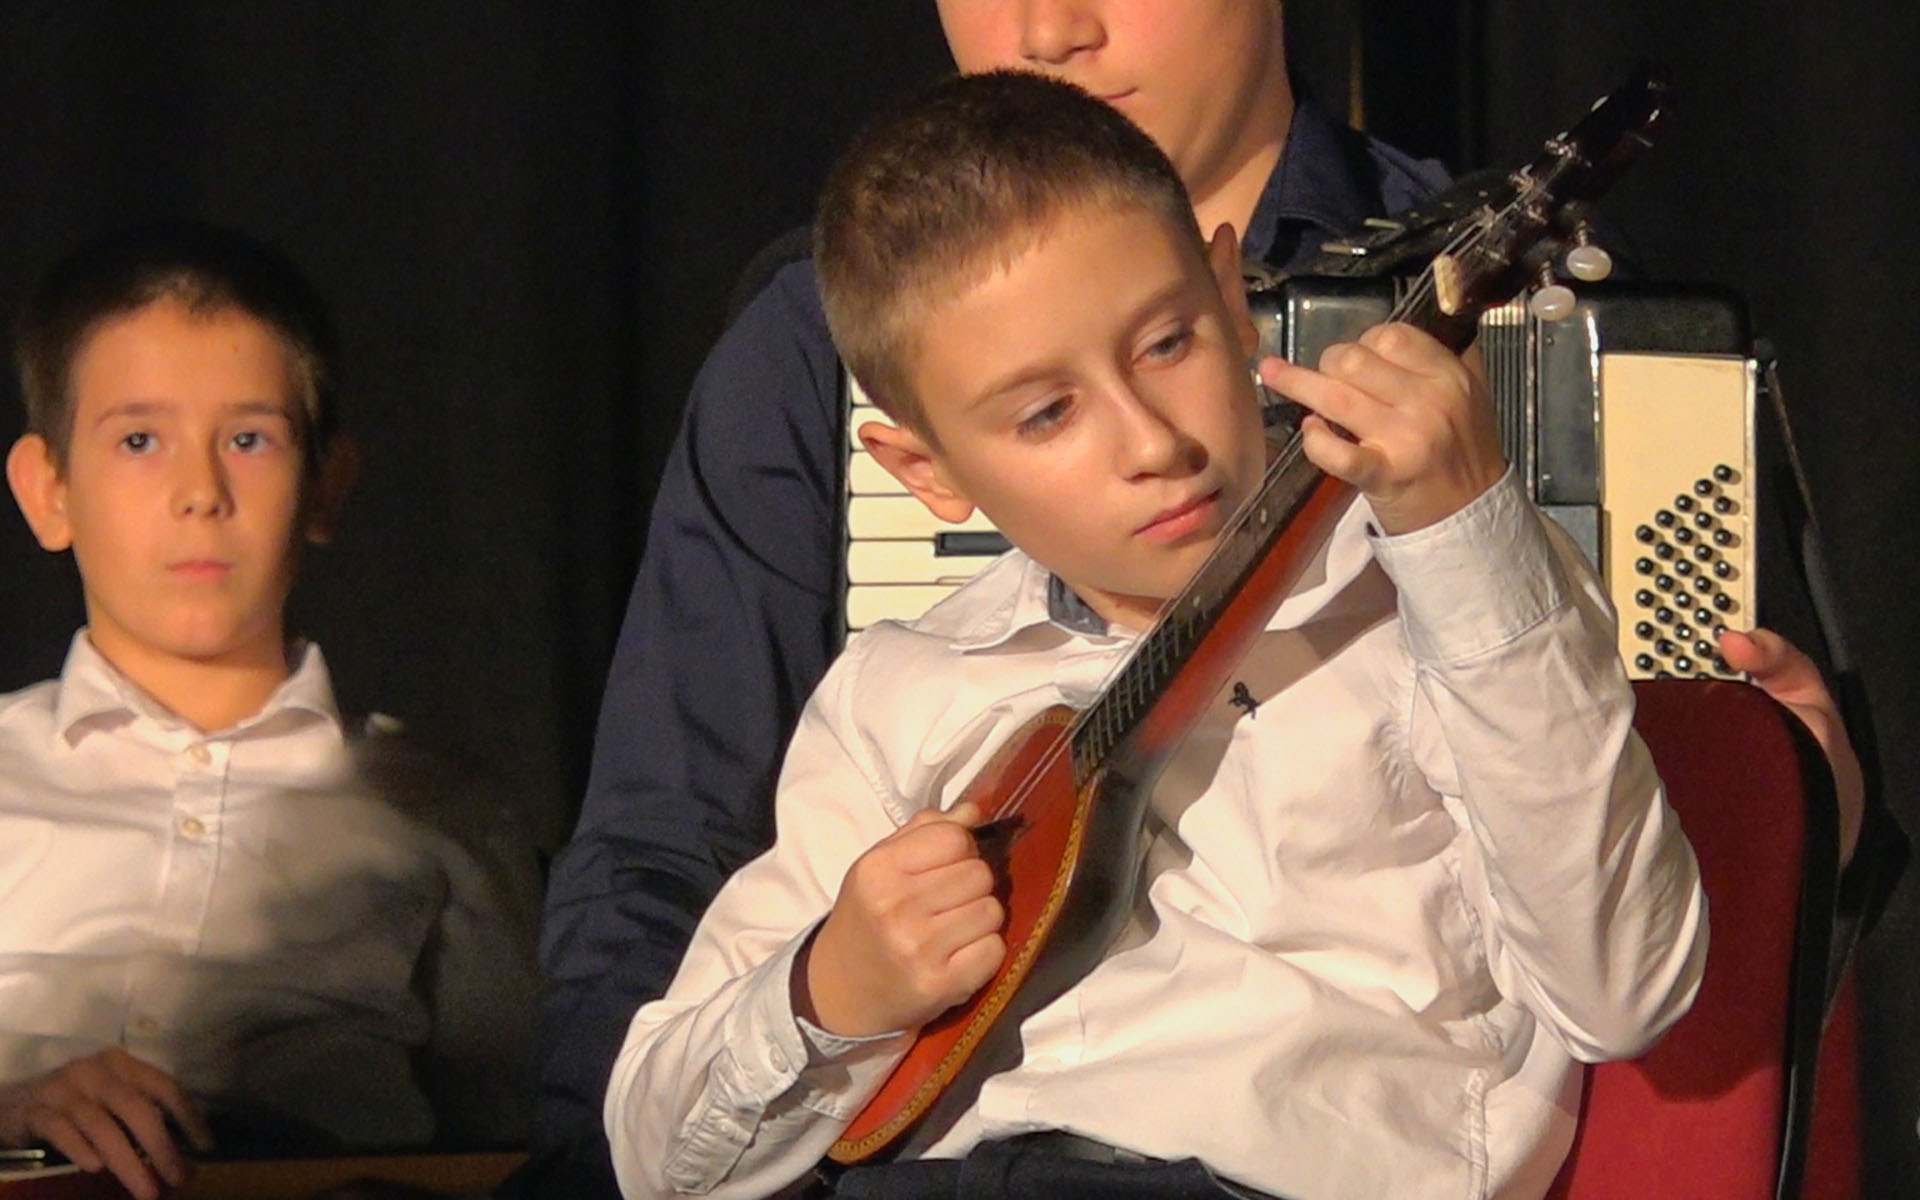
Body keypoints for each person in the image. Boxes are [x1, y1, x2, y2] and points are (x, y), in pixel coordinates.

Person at [532, 4, 1864, 1191]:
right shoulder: (897, 689)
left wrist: (1470, 537)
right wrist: (828, 994)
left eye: (1168, 343)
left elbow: (1628, 989)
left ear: (1232, 301)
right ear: (922, 472)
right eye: (1045, 413)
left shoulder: (1436, 612)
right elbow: (658, 1140)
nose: (1150, 442)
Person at [0, 221, 539, 1200]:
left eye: (249, 439)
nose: (200, 493)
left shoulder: (439, 807)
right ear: (49, 492)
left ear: (326, 483)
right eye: (139, 441)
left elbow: (512, 1138)